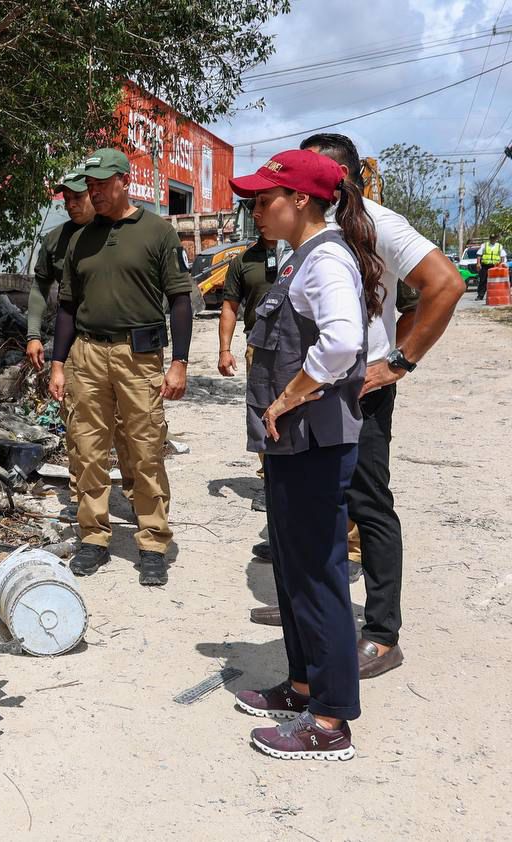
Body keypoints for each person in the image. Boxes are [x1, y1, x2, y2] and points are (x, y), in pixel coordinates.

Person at [250, 134, 465, 680]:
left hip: (356, 389)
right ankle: (316, 608)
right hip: (314, 387)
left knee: (368, 504)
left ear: (335, 177)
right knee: (316, 507)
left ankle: (382, 633)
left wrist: (398, 360)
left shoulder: (377, 222)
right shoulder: (308, 231)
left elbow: (444, 283)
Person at [226, 149, 382, 760]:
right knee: (292, 570)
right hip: (295, 442)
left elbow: (344, 341)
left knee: (318, 574)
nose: (257, 210)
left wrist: (291, 395)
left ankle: (332, 719)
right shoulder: (301, 258)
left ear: (301, 202)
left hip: (316, 441)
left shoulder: (326, 261)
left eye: (266, 200)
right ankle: (301, 685)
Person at [47, 148, 194, 586]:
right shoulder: (79, 239)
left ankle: (152, 541)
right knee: (86, 449)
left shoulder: (157, 232)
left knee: (145, 448)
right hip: (87, 356)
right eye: (89, 186)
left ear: (124, 182)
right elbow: (67, 307)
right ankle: (93, 536)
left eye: (101, 185)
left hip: (138, 357)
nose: (94, 192)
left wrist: (180, 363)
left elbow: (180, 301)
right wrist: (58, 363)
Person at [25, 174, 133, 508]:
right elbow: (40, 286)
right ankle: (83, 498)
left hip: (121, 345)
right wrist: (33, 334)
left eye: (79, 197)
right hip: (73, 346)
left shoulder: (116, 231)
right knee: (78, 426)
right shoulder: (56, 240)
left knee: (127, 426)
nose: (72, 205)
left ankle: (135, 494)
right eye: (67, 199)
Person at [217, 231, 278, 481]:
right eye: (256, 208)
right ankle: (270, 479)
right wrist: (224, 350)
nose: (260, 214)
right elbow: (230, 307)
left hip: (302, 344)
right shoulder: (242, 261)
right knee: (262, 410)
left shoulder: (303, 251)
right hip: (259, 344)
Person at [475, 231, 507, 300]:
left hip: (495, 266)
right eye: (491, 238)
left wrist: (501, 264)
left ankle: (495, 296)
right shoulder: (484, 245)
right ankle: (480, 295)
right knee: (483, 280)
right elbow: (479, 255)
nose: (493, 240)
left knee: (496, 281)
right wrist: (478, 263)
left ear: (496, 239)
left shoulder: (499, 246)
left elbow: (502, 256)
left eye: (494, 238)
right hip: (485, 266)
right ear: (489, 239)